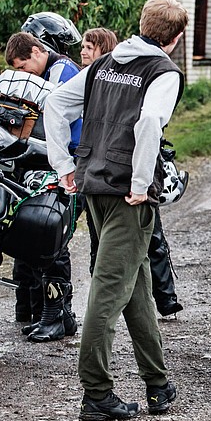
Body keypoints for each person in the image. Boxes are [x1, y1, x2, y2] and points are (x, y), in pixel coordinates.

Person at [43, 0, 186, 421]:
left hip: (94, 185)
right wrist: (141, 183)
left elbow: (56, 104)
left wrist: (64, 166)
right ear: (175, 38)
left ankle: (158, 383)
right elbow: (149, 122)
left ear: (142, 24)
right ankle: (96, 393)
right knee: (108, 292)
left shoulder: (104, 64)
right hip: (127, 194)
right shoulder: (163, 71)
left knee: (137, 285)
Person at [81, 26, 184, 318]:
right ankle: (111, 298)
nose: (84, 52)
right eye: (83, 47)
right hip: (102, 173)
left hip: (123, 174)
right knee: (104, 244)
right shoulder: (96, 74)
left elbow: (148, 123)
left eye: (89, 47)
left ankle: (165, 298)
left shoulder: (126, 70)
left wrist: (141, 184)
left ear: (104, 50)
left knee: (152, 238)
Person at [4, 31, 82, 342]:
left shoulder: (62, 70)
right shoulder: (47, 71)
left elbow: (54, 111)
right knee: (33, 231)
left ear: (37, 52)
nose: (24, 75)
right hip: (49, 159)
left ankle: (58, 313)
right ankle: (38, 309)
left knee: (51, 235)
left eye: (24, 67)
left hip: (68, 160)